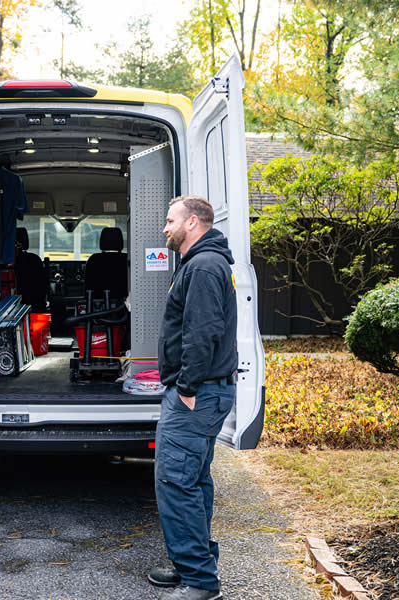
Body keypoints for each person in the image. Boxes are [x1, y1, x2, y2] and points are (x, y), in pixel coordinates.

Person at [149, 195, 238, 600]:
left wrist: (186, 387)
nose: (165, 228)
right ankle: (194, 562)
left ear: (193, 223)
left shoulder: (202, 266)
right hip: (207, 391)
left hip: (197, 393)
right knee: (194, 480)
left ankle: (201, 582)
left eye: (171, 221)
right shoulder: (204, 262)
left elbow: (203, 333)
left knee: (176, 480)